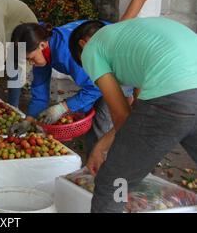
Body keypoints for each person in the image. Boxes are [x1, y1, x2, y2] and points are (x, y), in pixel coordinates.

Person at [68, 17, 197, 213]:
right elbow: (137, 112)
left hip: (173, 96)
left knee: (112, 182)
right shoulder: (129, 34)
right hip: (181, 88)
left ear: (82, 45)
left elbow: (122, 117)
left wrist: (103, 151)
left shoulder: (91, 50)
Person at [8, 21, 130, 151]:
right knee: (96, 116)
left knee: (102, 121)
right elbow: (40, 91)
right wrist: (29, 120)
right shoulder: (43, 50)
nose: (31, 63)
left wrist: (63, 107)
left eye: (31, 58)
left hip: (119, 62)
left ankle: (102, 164)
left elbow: (96, 87)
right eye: (28, 60)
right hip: (99, 69)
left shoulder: (66, 52)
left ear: (42, 45)